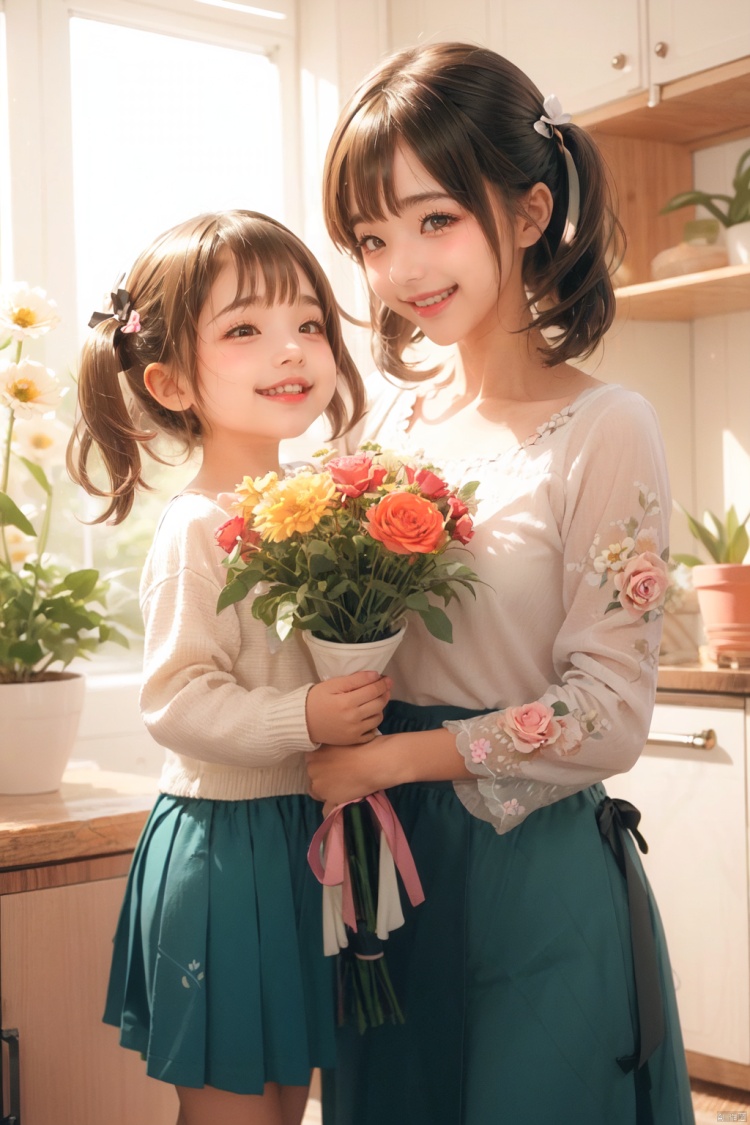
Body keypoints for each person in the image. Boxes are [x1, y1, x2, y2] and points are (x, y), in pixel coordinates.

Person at [307, 43, 695, 1124]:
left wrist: (397, 754)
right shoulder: (380, 428)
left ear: (529, 214)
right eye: (373, 238)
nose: (403, 268)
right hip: (381, 863)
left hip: (531, 876)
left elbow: (610, 714)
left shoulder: (606, 426)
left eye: (435, 221)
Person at [67, 210, 392, 1125]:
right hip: (224, 847)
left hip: (303, 842)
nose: (288, 350)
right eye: (244, 328)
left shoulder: (325, 504)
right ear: (169, 379)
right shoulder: (198, 524)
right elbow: (174, 700)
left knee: (285, 1107)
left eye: (308, 322)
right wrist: (307, 718)